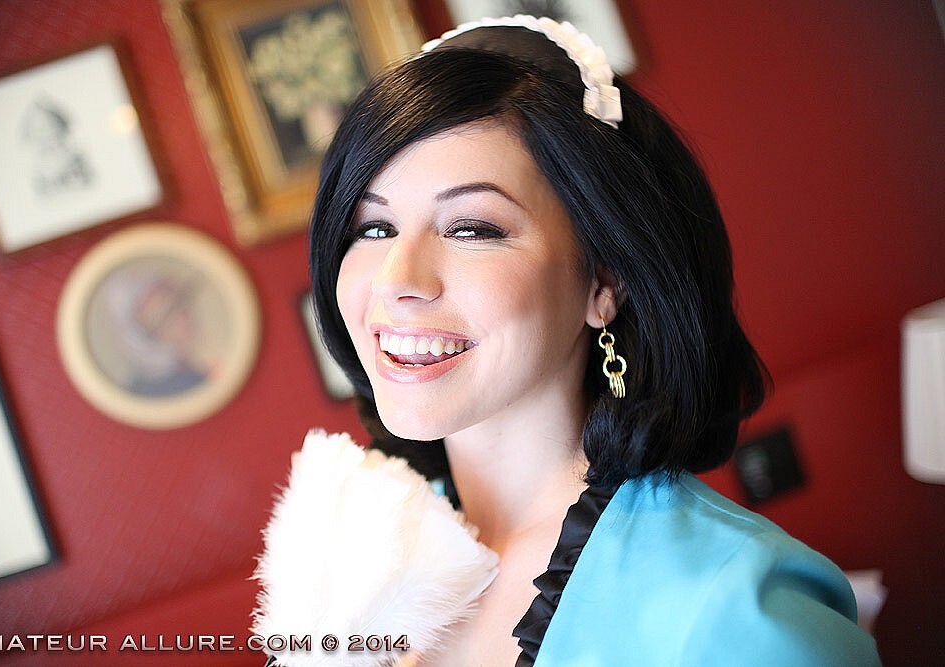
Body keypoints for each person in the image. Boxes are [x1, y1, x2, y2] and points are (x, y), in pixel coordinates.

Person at [273, 15, 881, 666]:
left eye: (472, 228)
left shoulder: (735, 610)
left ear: (604, 280)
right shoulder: (347, 548)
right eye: (373, 228)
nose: (397, 280)